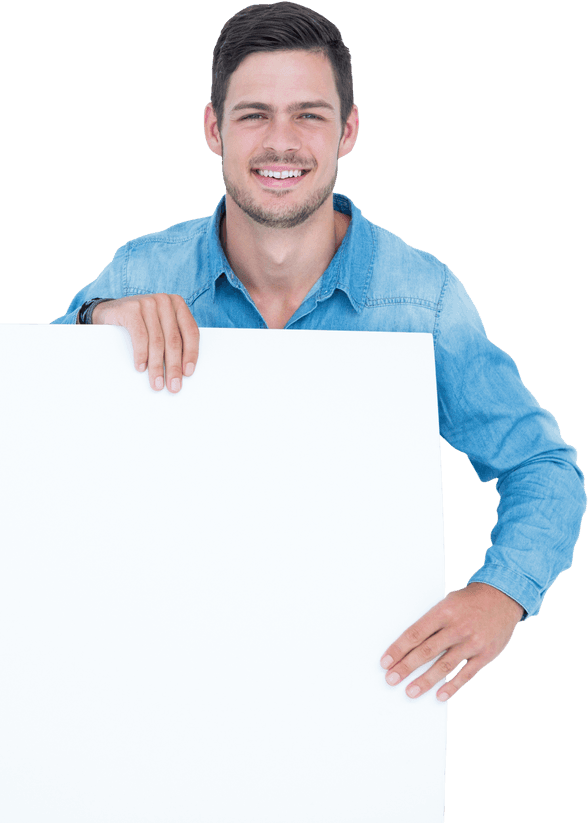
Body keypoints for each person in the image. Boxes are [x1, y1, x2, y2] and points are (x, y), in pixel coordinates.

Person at [52, 3, 584, 701]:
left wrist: (501, 593)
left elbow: (543, 465)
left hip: (354, 704)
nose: (282, 142)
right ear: (213, 129)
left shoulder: (419, 300)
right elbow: (21, 421)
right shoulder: (143, 271)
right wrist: (93, 319)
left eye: (308, 114)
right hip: (162, 681)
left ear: (348, 131)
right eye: (253, 115)